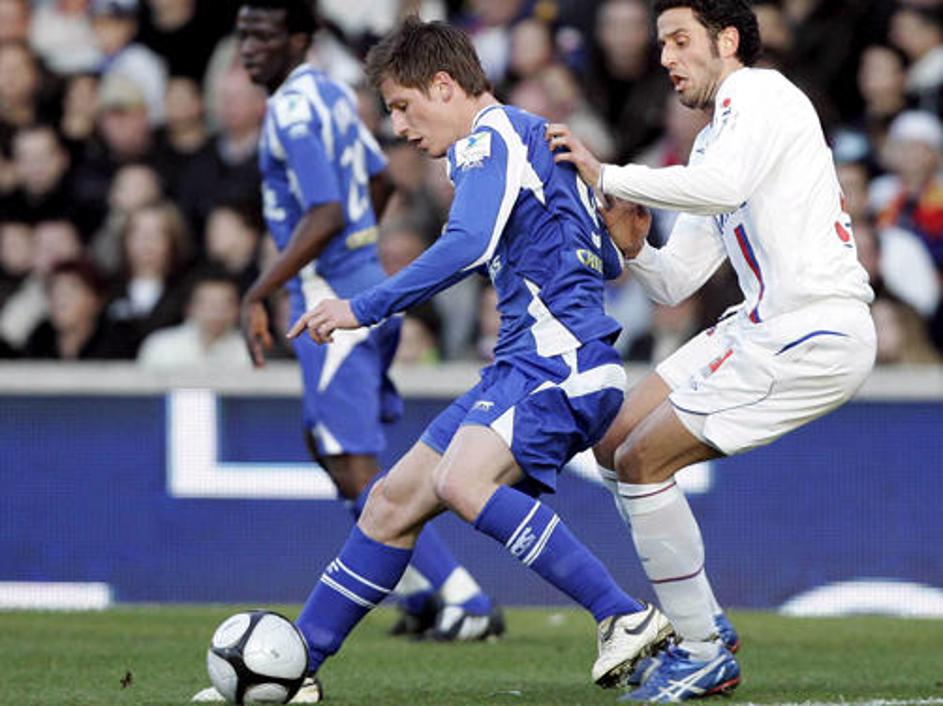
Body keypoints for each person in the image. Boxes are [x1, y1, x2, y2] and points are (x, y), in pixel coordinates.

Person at [283, 14, 672, 701]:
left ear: (443, 84)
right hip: (539, 364)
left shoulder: (485, 142)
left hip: (555, 364)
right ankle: (293, 669)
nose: (400, 127)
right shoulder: (537, 137)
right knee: (390, 504)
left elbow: (464, 246)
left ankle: (622, 615)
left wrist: (359, 307)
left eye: (402, 106)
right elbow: (602, 257)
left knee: (462, 482)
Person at [545, 0, 877, 701]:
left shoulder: (759, 92)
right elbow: (675, 284)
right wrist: (633, 248)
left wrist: (607, 174)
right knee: (611, 442)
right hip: (757, 323)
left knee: (641, 461)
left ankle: (700, 648)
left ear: (727, 41)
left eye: (679, 40)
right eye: (661, 43)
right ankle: (706, 631)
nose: (665, 56)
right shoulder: (711, 142)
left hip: (810, 329)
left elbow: (720, 190)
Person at [192, 7, 501, 702]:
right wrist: (360, 250)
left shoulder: (293, 114)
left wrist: (260, 289)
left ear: (300, 40)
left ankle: (463, 599)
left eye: (264, 36)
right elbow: (378, 181)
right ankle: (425, 590)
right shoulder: (331, 90)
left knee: (353, 461)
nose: (248, 50)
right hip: (357, 290)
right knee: (331, 448)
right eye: (241, 35)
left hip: (333, 303)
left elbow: (327, 209)